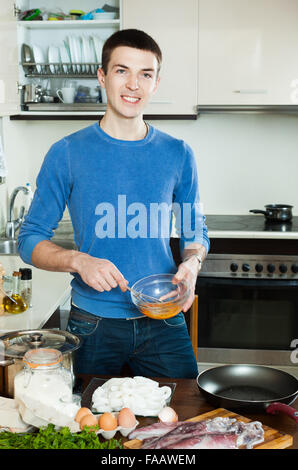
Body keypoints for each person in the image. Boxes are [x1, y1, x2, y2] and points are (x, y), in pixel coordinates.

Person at [18, 29, 209, 379]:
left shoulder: (178, 153)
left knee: (184, 416)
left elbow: (195, 230)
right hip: (93, 324)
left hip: (163, 319)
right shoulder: (68, 152)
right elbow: (29, 239)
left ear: (156, 83)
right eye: (122, 71)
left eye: (145, 74)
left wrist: (192, 265)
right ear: (102, 77)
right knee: (89, 426)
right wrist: (77, 260)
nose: (133, 84)